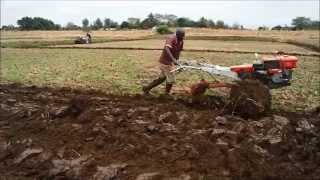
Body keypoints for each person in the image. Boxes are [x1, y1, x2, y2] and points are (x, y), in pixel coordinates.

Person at [142, 28, 185, 95]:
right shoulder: (171, 38)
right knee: (171, 79)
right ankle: (166, 94)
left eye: (183, 36)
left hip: (170, 62)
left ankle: (146, 88)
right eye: (181, 36)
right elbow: (167, 48)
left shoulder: (181, 41)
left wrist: (177, 60)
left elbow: (178, 51)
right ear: (177, 35)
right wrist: (173, 59)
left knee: (162, 78)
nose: (182, 37)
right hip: (164, 62)